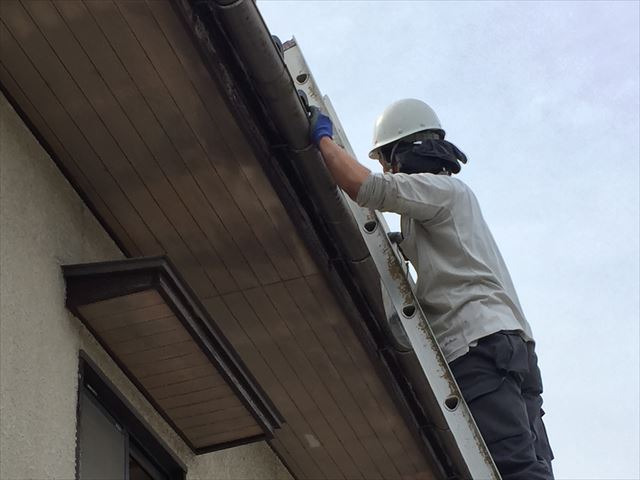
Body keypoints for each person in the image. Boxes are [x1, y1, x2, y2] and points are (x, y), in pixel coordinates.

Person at [308, 99, 554, 479]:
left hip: (478, 346)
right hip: (511, 349)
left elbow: (364, 186)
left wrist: (324, 141)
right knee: (529, 468)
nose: (388, 171)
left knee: (510, 470)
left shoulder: (438, 190)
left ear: (403, 153)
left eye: (387, 161)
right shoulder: (449, 203)